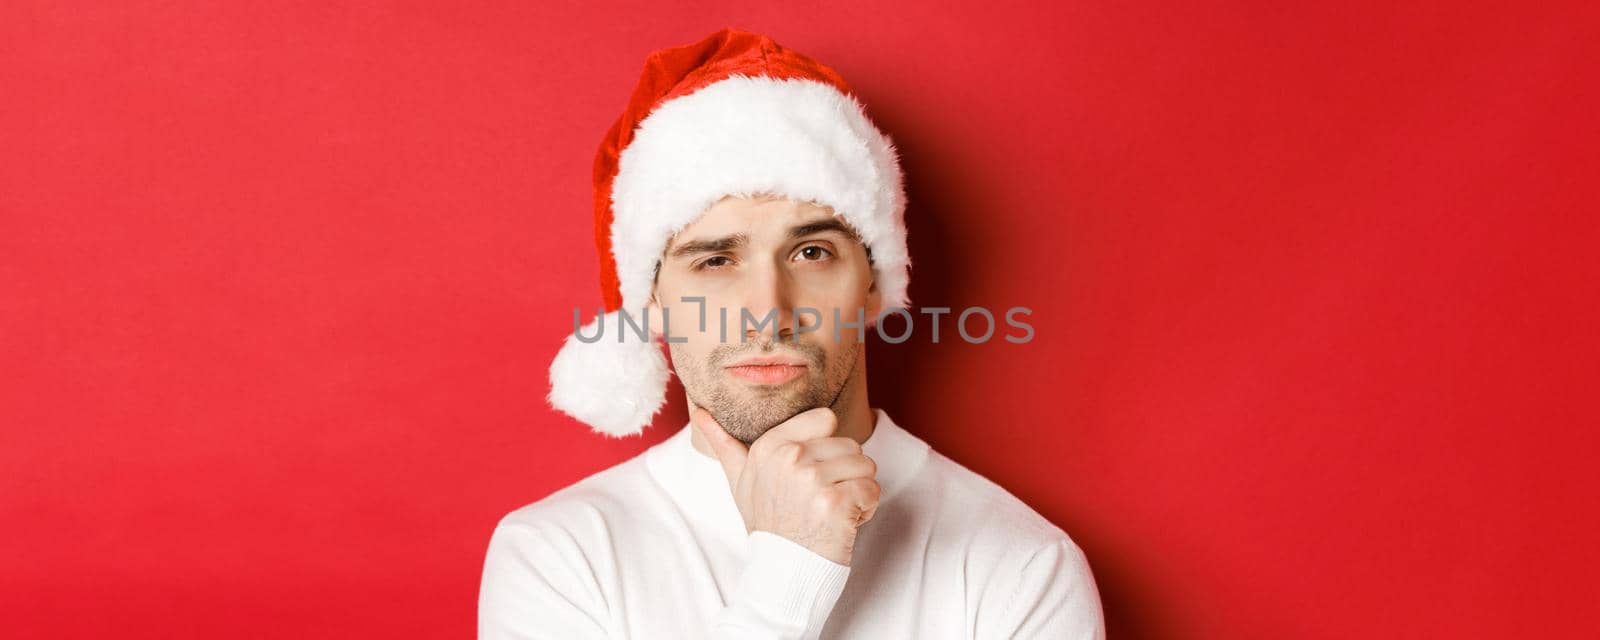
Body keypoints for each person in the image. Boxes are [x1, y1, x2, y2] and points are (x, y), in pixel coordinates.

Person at [478, 27, 1105, 639]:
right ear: (652, 301)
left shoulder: (1021, 566)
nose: (767, 313)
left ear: (872, 282)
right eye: (715, 261)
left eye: (811, 254)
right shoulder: (558, 557)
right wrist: (791, 576)